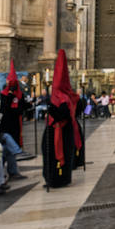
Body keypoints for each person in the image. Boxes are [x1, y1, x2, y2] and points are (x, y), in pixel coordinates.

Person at [43, 50, 81, 188]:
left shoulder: (65, 98)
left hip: (62, 130)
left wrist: (50, 107)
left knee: (58, 153)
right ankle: (50, 177)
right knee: (48, 153)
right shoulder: (62, 97)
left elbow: (61, 115)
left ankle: (58, 179)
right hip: (53, 129)